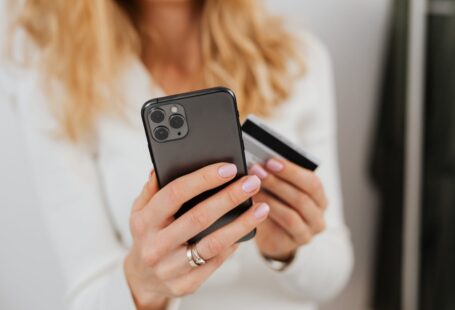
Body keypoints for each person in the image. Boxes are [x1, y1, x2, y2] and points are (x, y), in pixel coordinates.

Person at [11, 0, 353, 309]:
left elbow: (332, 275)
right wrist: (142, 284)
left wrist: (290, 250)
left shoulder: (298, 57)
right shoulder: (58, 79)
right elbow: (85, 298)